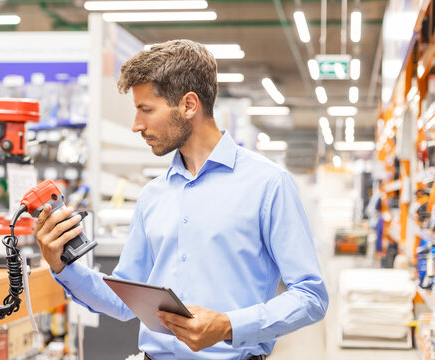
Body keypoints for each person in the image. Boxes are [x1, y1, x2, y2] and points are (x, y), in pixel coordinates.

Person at [35, 39, 328, 360]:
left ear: (189, 105)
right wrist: (61, 264)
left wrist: (229, 324)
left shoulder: (268, 184)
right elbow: (122, 300)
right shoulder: (153, 195)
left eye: (146, 110)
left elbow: (310, 296)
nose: (137, 125)